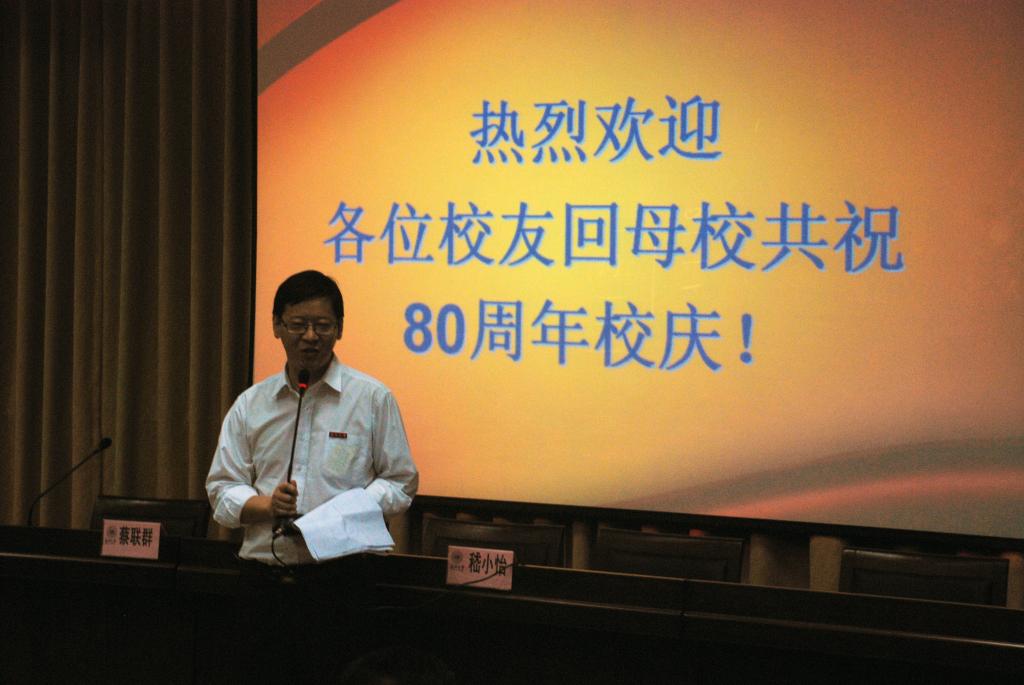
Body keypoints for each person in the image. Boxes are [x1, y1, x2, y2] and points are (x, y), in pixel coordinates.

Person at [206, 270, 418, 565]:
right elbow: (222, 488)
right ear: (277, 325)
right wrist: (268, 506)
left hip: (345, 570)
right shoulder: (251, 404)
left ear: (339, 328)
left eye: (322, 326)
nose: (310, 336)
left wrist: (346, 511)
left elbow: (400, 482)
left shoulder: (372, 398)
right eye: (298, 325)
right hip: (264, 568)